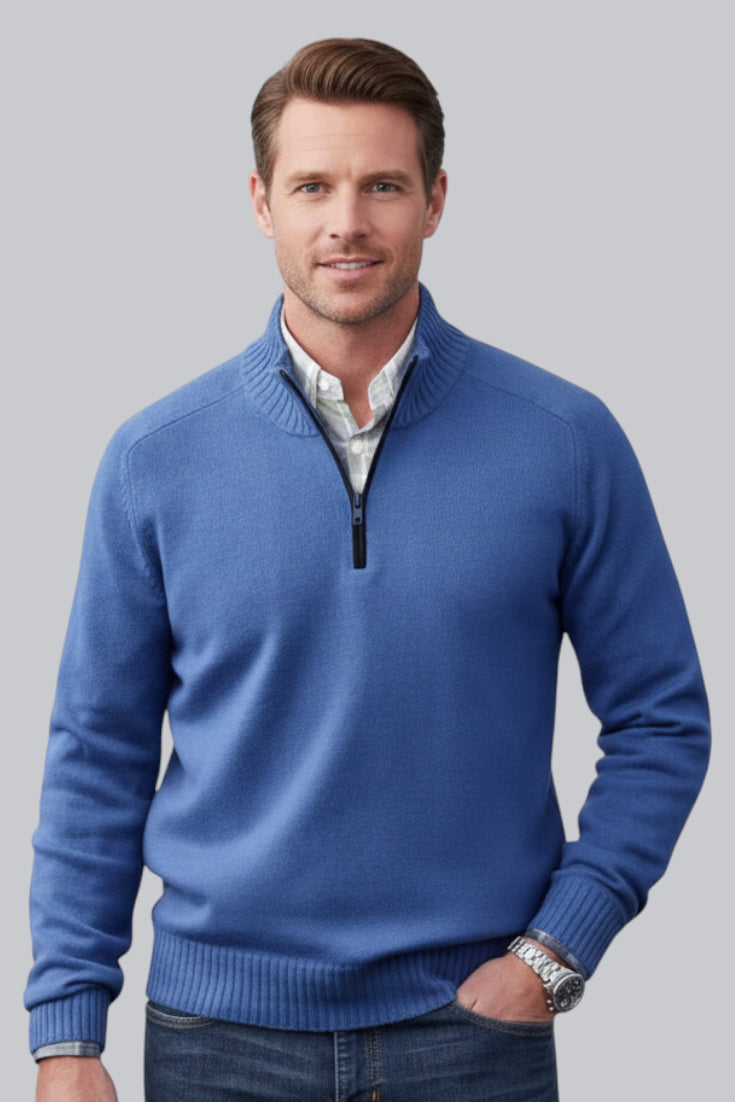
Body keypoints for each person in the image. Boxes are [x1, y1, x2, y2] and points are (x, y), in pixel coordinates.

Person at [26, 38, 710, 1102]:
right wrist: (67, 1032)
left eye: (382, 185)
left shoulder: (563, 440)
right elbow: (96, 752)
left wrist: (554, 954)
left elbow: (663, 718)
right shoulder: (155, 458)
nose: (346, 220)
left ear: (435, 200)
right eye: (313, 186)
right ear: (261, 203)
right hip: (217, 1039)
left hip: (472, 1035)